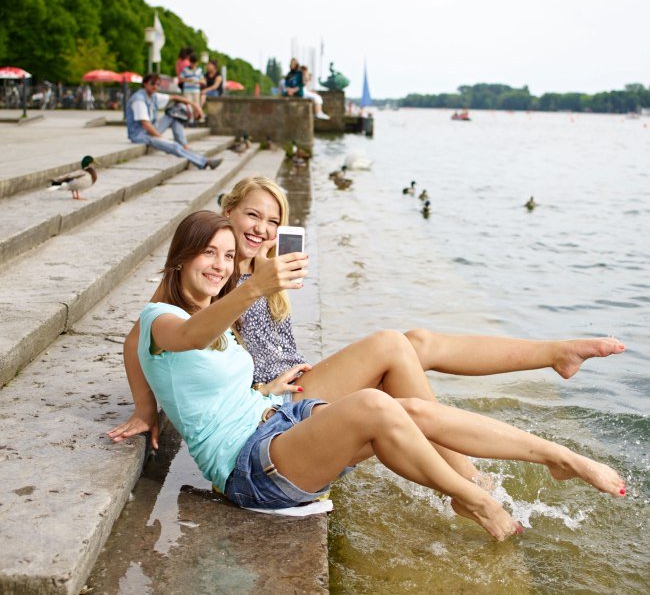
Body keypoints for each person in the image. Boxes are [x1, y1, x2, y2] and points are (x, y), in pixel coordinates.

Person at [123, 210, 626, 541]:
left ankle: (557, 457)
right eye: (209, 252)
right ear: (180, 257)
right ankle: (474, 499)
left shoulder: (204, 316)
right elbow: (182, 338)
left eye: (228, 257)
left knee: (408, 409)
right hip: (247, 467)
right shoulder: (162, 320)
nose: (220, 265)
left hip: (276, 419)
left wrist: (148, 410)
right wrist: (252, 290)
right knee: (374, 405)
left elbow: (165, 358)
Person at [125, 73, 221, 170]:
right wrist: (161, 138)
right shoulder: (139, 99)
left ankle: (184, 146)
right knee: (173, 146)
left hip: (150, 129)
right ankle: (204, 162)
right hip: (140, 135)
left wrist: (195, 105)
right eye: (152, 84)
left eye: (157, 84)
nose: (155, 87)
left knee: (174, 115)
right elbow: (145, 124)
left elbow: (175, 97)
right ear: (145, 84)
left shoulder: (152, 96)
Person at [180, 53, 204, 122]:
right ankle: (190, 119)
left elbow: (203, 80)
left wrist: (198, 81)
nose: (193, 65)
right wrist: (188, 80)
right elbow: (181, 78)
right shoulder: (185, 70)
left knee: (196, 105)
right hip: (187, 90)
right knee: (188, 105)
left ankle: (195, 118)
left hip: (196, 90)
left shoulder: (199, 70)